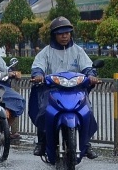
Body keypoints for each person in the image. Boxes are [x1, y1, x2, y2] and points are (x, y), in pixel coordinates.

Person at [29, 17, 101, 158]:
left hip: (76, 91)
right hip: (52, 90)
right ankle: (42, 141)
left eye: (67, 33)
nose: (64, 36)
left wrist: (91, 75)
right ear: (53, 35)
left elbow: (88, 67)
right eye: (61, 33)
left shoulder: (78, 51)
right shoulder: (46, 52)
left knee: (87, 111)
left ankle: (86, 143)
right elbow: (38, 66)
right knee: (44, 111)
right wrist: (38, 74)